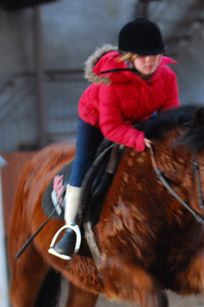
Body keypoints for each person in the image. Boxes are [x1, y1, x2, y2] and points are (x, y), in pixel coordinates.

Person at [48, 18, 180, 260]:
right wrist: (138, 139)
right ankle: (71, 229)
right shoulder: (110, 81)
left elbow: (170, 115)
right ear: (129, 56)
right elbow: (111, 128)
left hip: (140, 118)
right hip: (97, 121)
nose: (150, 61)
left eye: (155, 55)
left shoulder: (168, 76)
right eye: (143, 56)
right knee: (84, 167)